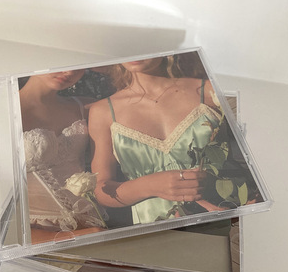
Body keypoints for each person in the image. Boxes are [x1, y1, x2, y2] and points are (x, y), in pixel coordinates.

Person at [88, 53, 232, 225]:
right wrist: (151, 185)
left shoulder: (210, 90)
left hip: (223, 219)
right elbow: (101, 190)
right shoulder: (102, 111)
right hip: (155, 231)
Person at [19, 70, 106, 242]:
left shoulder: (86, 107)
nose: (69, 72)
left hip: (93, 226)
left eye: (78, 65)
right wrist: (70, 237)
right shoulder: (1, 111)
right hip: (37, 237)